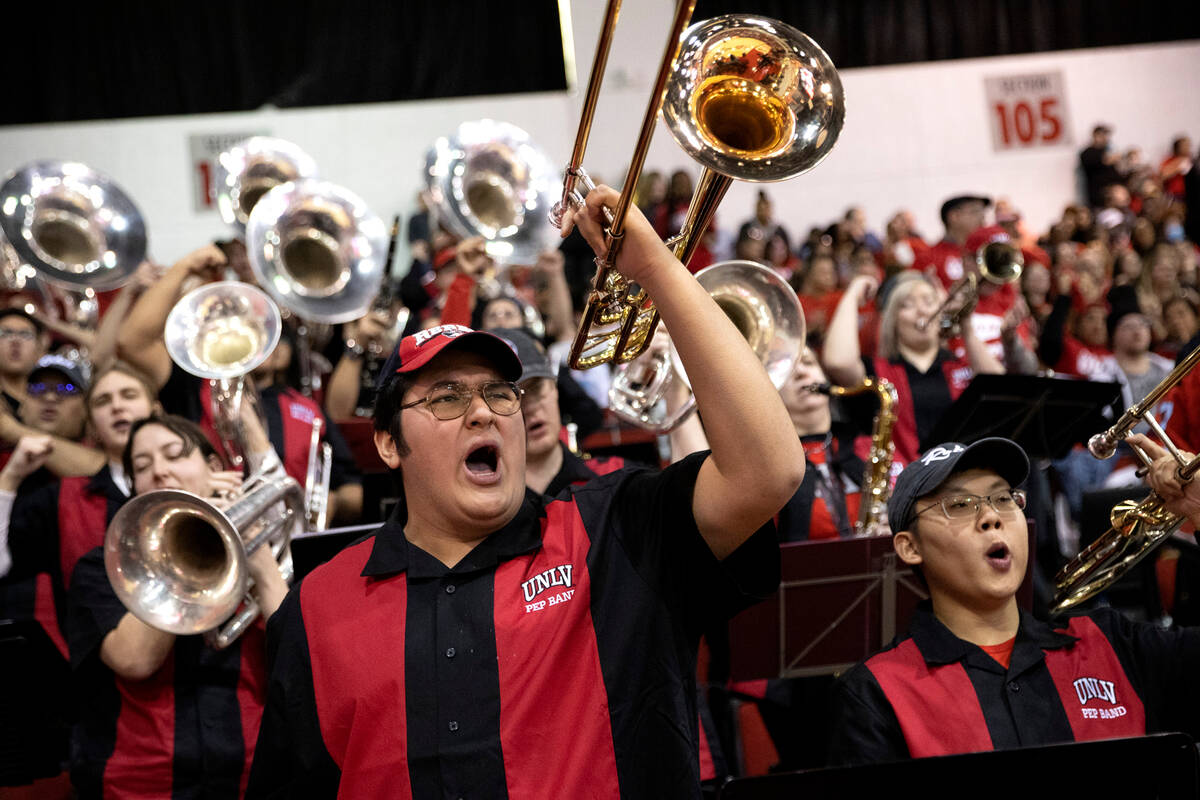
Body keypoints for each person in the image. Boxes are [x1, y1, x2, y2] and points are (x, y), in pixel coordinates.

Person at [246, 184, 806, 798]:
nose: (483, 414)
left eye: (499, 394)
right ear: (387, 443)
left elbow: (768, 471)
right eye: (447, 398)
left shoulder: (612, 532)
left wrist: (654, 267)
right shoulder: (317, 606)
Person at [828, 435, 1200, 765]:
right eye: (959, 505)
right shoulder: (875, 692)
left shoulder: (1113, 643)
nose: (991, 516)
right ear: (910, 547)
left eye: (1004, 498)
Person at [68, 414, 288, 798]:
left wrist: (266, 572)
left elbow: (303, 665)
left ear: (215, 468)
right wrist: (180, 559)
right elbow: (135, 660)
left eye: (175, 455)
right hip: (140, 780)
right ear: (134, 487)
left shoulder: (265, 550)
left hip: (252, 775)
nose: (160, 472)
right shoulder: (100, 566)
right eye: (141, 466)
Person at [824, 271, 1003, 467]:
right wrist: (853, 292)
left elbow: (998, 388)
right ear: (893, 320)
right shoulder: (878, 370)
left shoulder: (959, 365)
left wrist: (966, 326)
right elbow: (838, 362)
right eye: (907, 305)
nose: (921, 311)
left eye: (928, 302)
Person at [491, 327, 622, 497]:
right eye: (508, 397)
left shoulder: (614, 478)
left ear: (554, 388)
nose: (529, 407)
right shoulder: (477, 508)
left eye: (536, 388)